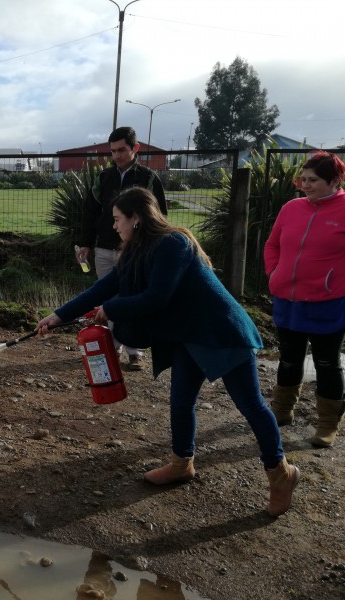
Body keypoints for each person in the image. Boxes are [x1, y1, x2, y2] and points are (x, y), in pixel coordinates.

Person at [37, 186, 299, 517]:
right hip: (187, 335)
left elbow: (156, 297)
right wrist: (59, 315)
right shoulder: (136, 249)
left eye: (118, 219)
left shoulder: (173, 244)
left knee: (250, 406)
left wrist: (112, 309)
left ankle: (281, 474)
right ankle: (181, 463)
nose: (114, 226)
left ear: (136, 218)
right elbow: (103, 287)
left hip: (219, 331)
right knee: (180, 401)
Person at [264, 151, 345, 447]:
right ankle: (282, 410)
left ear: (335, 180)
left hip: (329, 303)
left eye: (313, 180)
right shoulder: (291, 208)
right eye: (303, 179)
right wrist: (274, 274)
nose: (305, 185)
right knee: (288, 359)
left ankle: (327, 424)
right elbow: (272, 244)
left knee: (327, 363)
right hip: (288, 299)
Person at [77, 126, 168, 372]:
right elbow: (90, 211)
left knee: (131, 297)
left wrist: (151, 247)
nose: (117, 156)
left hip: (136, 250)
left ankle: (134, 351)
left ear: (135, 149)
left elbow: (160, 216)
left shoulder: (148, 178)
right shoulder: (103, 178)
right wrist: (86, 242)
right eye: (113, 151)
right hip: (105, 247)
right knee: (108, 299)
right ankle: (111, 348)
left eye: (122, 150)